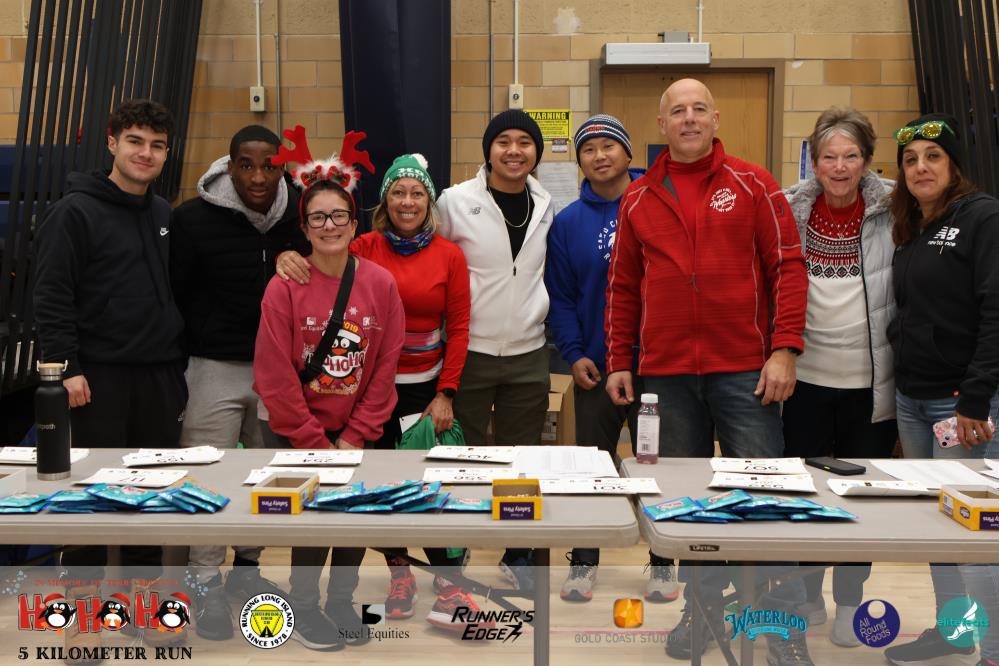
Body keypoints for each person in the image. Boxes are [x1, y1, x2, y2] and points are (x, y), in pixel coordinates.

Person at [604, 79, 810, 664]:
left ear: (716, 119)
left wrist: (785, 348)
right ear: (662, 125)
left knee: (767, 499)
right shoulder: (638, 198)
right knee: (688, 504)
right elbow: (623, 287)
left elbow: (787, 268)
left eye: (699, 109)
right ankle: (703, 610)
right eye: (678, 111)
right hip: (667, 377)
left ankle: (782, 627)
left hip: (746, 372)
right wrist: (620, 360)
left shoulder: (754, 184)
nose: (689, 118)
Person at [276, 153, 478, 630]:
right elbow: (321, 257)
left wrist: (446, 392)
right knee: (379, 489)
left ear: (429, 201)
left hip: (425, 392)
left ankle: (449, 581)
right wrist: (288, 256)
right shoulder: (362, 245)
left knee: (429, 487)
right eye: (398, 192)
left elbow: (460, 327)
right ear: (385, 201)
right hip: (366, 393)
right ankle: (399, 573)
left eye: (417, 193)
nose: (407, 201)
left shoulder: (449, 255)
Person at [33, 99, 185, 655]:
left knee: (148, 494)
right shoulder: (74, 212)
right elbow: (51, 293)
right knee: (91, 497)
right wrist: (68, 367)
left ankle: (142, 609)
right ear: (112, 142)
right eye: (136, 141)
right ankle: (82, 616)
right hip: (96, 379)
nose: (146, 153)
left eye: (157, 145)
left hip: (158, 376)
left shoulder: (162, 211)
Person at [253, 131, 405, 652]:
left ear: (355, 223)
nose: (329, 225)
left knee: (354, 518)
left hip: (358, 433)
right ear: (304, 228)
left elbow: (384, 367)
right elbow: (274, 375)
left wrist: (356, 435)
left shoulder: (380, 284)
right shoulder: (284, 287)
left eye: (339, 215)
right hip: (301, 434)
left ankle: (342, 599)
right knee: (313, 523)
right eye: (317, 217)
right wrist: (315, 444)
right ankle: (302, 604)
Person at [170, 125, 307, 640]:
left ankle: (247, 569)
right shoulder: (192, 219)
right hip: (213, 365)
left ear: (282, 168)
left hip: (279, 367)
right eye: (246, 165)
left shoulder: (300, 215)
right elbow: (175, 293)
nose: (258, 176)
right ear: (229, 167)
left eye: (269, 166)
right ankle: (204, 579)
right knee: (206, 475)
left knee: (265, 475)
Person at [881, 113, 999, 666]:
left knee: (974, 536)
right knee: (938, 529)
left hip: (964, 404)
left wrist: (975, 397)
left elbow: (996, 311)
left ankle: (992, 651)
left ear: (954, 165)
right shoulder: (913, 227)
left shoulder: (982, 217)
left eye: (933, 157)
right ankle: (954, 633)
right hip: (914, 400)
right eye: (910, 160)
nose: (920, 168)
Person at [547, 114, 678, 603]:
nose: (599, 156)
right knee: (593, 469)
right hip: (597, 367)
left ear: (628, 153)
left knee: (658, 467)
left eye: (608, 145)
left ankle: (663, 562)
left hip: (658, 366)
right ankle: (584, 561)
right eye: (588, 148)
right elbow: (561, 298)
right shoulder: (567, 224)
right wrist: (574, 353)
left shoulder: (657, 204)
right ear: (579, 161)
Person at [781, 108, 898, 647]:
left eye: (851, 156)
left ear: (867, 161)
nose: (840, 167)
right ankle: (807, 594)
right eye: (829, 156)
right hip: (803, 380)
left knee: (858, 500)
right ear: (814, 160)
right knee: (805, 495)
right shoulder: (789, 208)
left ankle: (851, 600)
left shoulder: (895, 209)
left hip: (871, 387)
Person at [437, 109, 554, 592]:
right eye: (503, 140)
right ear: (488, 149)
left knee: (521, 461)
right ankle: (453, 549)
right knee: (461, 457)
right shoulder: (455, 201)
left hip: (528, 350)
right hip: (469, 351)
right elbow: (430, 259)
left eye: (524, 142)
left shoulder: (546, 203)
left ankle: (518, 552)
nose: (514, 150)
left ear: (536, 153)